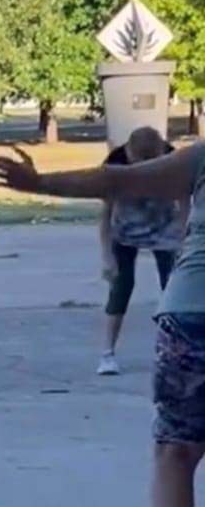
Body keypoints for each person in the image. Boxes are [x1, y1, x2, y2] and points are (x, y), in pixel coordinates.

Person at [0, 138, 205, 507]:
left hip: (193, 313)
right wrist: (39, 183)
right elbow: (119, 180)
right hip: (193, 313)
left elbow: (119, 181)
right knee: (175, 448)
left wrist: (39, 183)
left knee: (176, 449)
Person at [98, 127, 187, 376]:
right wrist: (107, 256)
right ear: (130, 154)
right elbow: (105, 214)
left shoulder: (173, 160)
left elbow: (185, 203)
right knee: (121, 287)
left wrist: (184, 238)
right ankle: (107, 353)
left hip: (165, 229)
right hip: (125, 230)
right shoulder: (115, 164)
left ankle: (174, 351)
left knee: (173, 291)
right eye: (140, 163)